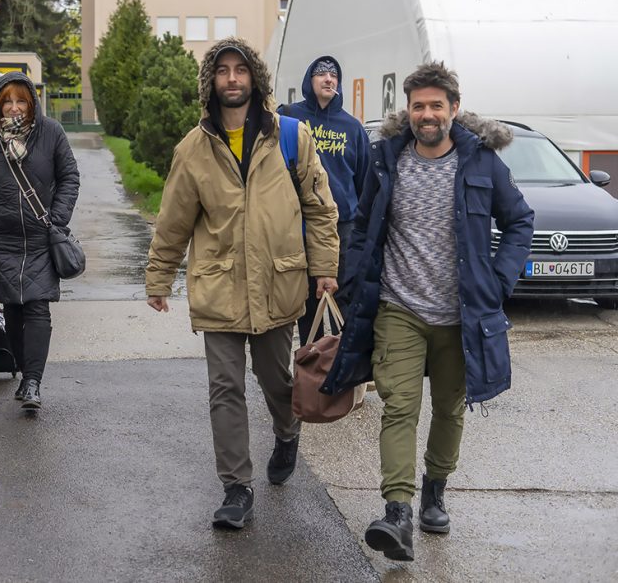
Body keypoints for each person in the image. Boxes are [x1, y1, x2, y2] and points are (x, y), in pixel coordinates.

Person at [324, 62, 533, 560]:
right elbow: (361, 225)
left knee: (449, 407)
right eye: (418, 106)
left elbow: (520, 220)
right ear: (409, 111)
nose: (427, 114)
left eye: (436, 105)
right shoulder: (387, 159)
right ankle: (397, 512)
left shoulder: (481, 163)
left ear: (454, 109)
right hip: (398, 307)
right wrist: (353, 281)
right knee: (398, 406)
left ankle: (435, 489)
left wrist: (498, 282)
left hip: (460, 315)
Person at [144, 37, 340, 529]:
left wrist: (325, 268)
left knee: (276, 379)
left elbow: (319, 208)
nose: (232, 78)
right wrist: (159, 277)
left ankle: (287, 430)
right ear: (210, 82)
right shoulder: (193, 149)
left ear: (255, 77)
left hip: (278, 281)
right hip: (219, 285)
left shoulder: (291, 137)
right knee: (224, 387)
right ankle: (236, 486)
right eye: (222, 70)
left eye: (240, 69)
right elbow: (173, 222)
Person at [0, 72, 80, 410]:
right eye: (7, 102)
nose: (14, 108)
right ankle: (22, 369)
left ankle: (32, 383)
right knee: (12, 308)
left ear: (32, 103)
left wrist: (57, 218)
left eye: (21, 101)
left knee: (38, 306)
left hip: (41, 237)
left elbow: (70, 177)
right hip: (1, 239)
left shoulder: (51, 132)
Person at [279, 56, 370, 343]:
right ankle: (312, 360)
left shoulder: (353, 128)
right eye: (321, 74)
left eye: (334, 75)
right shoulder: (290, 118)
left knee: (343, 301)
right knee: (308, 303)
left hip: (343, 227)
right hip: (301, 223)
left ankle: (345, 362)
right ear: (310, 79)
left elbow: (365, 182)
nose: (328, 79)